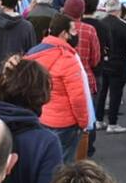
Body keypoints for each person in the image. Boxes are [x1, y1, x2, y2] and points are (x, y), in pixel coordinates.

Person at [25, 14, 91, 164]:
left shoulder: (33, 54)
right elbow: (77, 97)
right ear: (64, 34)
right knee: (63, 165)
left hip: (40, 117)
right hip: (65, 123)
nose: (76, 34)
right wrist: (84, 122)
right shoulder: (68, 59)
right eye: (73, 30)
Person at [97, 0, 126, 133]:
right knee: (115, 94)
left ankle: (98, 120)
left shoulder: (100, 23)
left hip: (102, 61)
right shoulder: (124, 26)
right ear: (119, 11)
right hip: (118, 62)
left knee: (102, 92)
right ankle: (112, 123)